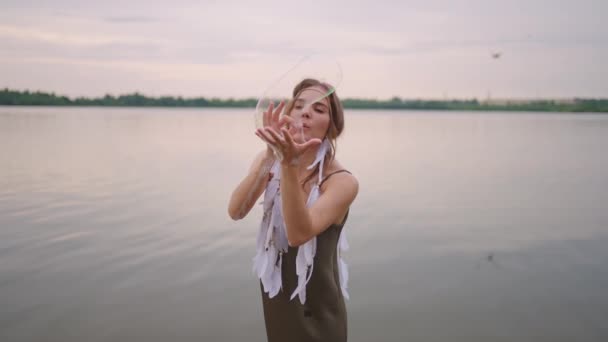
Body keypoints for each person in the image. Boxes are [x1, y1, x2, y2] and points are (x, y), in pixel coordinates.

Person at [228, 78, 359, 342]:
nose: (306, 112)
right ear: (287, 115)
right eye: (299, 106)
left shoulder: (342, 181)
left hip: (318, 312)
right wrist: (270, 154)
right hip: (278, 302)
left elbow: (299, 234)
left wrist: (289, 163)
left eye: (319, 109)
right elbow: (236, 211)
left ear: (332, 128)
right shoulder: (268, 161)